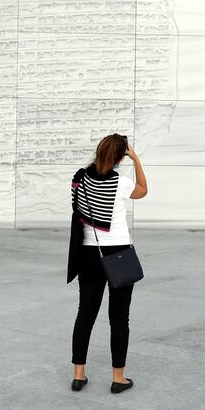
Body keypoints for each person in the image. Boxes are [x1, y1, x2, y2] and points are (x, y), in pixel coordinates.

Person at [66, 133, 148, 394]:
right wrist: (136, 160)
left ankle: (79, 375)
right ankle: (118, 378)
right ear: (121, 157)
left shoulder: (80, 177)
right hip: (118, 254)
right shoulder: (121, 183)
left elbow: (77, 211)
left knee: (85, 315)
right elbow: (143, 191)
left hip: (89, 254)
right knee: (119, 318)